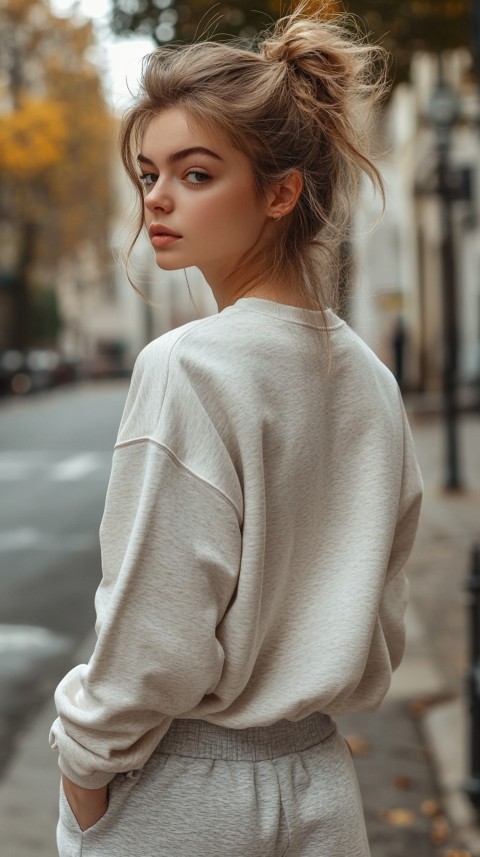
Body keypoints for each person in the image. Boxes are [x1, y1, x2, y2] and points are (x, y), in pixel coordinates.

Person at [50, 7, 423, 856]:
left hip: (183, 785)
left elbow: (155, 626)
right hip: (324, 783)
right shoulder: (372, 379)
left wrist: (83, 774)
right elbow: (382, 615)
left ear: (280, 190)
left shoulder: (187, 366)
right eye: (148, 173)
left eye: (196, 173)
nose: (157, 198)